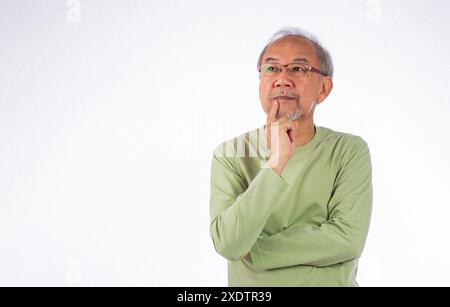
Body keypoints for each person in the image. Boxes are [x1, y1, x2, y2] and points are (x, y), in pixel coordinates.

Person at [209, 27, 373, 286]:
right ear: (260, 82)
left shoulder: (348, 150)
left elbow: (348, 239)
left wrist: (258, 251)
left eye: (298, 69)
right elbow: (229, 243)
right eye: (271, 68)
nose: (282, 79)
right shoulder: (230, 154)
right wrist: (276, 162)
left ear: (324, 88)